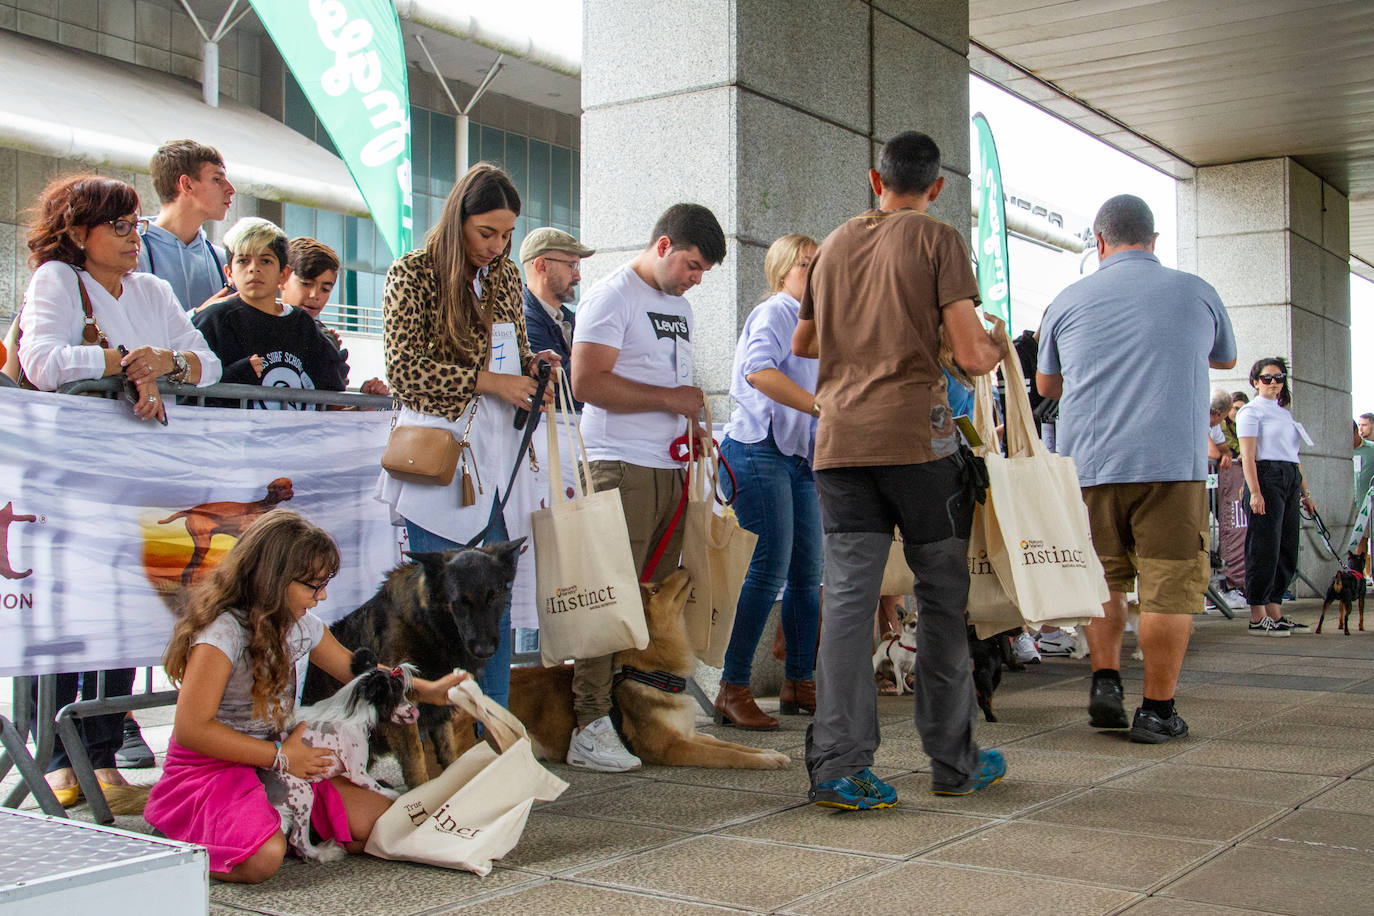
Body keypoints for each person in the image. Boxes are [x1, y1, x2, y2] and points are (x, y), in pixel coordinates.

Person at [791, 131, 1004, 809]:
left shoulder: (832, 244)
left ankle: (837, 765)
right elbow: (971, 355)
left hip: (841, 446)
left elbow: (805, 340)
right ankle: (954, 761)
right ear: (936, 188)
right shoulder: (938, 239)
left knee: (849, 606)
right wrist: (994, 343)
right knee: (942, 599)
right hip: (918, 445)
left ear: (872, 180)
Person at [15, 174, 221, 803]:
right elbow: (41, 361)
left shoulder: (153, 289)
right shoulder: (58, 280)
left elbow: (207, 364)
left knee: (121, 610)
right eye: (120, 226)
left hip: (140, 478)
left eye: (137, 224)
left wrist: (166, 363)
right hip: (67, 478)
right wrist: (124, 360)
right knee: (68, 612)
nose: (136, 237)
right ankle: (53, 753)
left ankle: (100, 750)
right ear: (78, 233)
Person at [144, 510, 466, 883]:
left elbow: (359, 672)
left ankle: (276, 821)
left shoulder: (302, 625)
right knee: (263, 861)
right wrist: (280, 757)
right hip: (212, 769)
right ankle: (189, 830)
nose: (322, 595)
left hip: (279, 761)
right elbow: (191, 730)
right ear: (272, 580)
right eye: (313, 585)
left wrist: (430, 691)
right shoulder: (222, 634)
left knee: (388, 825)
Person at [1038, 193, 1236, 744]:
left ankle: (1104, 681)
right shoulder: (1195, 290)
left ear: (1098, 242)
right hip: (1172, 464)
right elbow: (1224, 357)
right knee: (1169, 586)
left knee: (1102, 577)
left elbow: (1047, 386)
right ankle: (1156, 709)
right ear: (1153, 240)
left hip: (1091, 465)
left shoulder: (1067, 299)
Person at [375, 163, 559, 709]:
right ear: (458, 220)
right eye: (487, 233)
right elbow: (404, 370)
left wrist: (532, 371)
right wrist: (491, 381)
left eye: (506, 235)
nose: (498, 246)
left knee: (490, 611)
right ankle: (452, 741)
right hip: (438, 467)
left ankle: (494, 735)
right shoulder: (411, 273)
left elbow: (511, 351)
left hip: (496, 464)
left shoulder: (502, 277)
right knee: (446, 621)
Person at [570, 203, 726, 771]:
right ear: (663, 246)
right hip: (618, 464)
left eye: (704, 270)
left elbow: (671, 382)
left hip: (667, 465)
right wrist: (669, 402)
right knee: (609, 597)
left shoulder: (676, 304)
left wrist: (691, 423)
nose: (696, 278)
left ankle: (636, 713)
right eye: (692, 264)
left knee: (655, 602)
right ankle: (588, 722)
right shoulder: (613, 296)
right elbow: (585, 381)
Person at [715, 233, 820, 730]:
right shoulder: (778, 310)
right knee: (769, 569)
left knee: (808, 574)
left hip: (798, 456)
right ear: (782, 274)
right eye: (805, 265)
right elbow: (757, 371)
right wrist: (821, 406)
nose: (815, 272)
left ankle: (800, 682)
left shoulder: (817, 322)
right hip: (758, 449)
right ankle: (733, 686)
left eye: (820, 265)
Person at [193, 218, 348, 410]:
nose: (253, 268)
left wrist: (366, 400)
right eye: (243, 260)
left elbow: (334, 397)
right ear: (229, 273)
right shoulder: (213, 320)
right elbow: (187, 392)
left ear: (283, 274)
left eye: (265, 260)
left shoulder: (302, 324)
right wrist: (236, 375)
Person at [1236, 357, 1314, 636]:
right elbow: (1247, 456)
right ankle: (1257, 615)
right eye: (1267, 378)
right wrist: (1255, 491)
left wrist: (1305, 492)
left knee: (1287, 547)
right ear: (1255, 382)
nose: (1273, 383)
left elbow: (1295, 456)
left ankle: (1275, 610)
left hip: (1289, 477)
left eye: (1279, 377)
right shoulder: (1250, 412)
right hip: (1266, 476)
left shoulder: (1284, 413)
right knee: (1263, 547)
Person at [137, 139, 234, 311]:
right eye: (217, 179)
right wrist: (199, 315)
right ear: (187, 185)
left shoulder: (222, 260)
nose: (230, 189)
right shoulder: (134, 255)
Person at [282, 237, 388, 396]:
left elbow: (333, 406)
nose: (314, 295)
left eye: (325, 289)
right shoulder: (255, 322)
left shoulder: (327, 341)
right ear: (283, 278)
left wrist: (364, 400)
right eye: (306, 283)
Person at [520, 228, 594, 411]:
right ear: (541, 266)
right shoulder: (523, 321)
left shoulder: (569, 318)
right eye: (571, 265)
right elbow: (572, 388)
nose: (578, 276)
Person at [1210, 388, 1248, 606]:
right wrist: (1222, 454)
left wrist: (1225, 454)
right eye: (1233, 411)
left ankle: (1230, 586)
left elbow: (1223, 450)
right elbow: (1212, 452)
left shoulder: (1218, 427)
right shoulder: (1204, 419)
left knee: (1229, 531)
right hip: (1205, 487)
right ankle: (1222, 587)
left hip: (1220, 489)